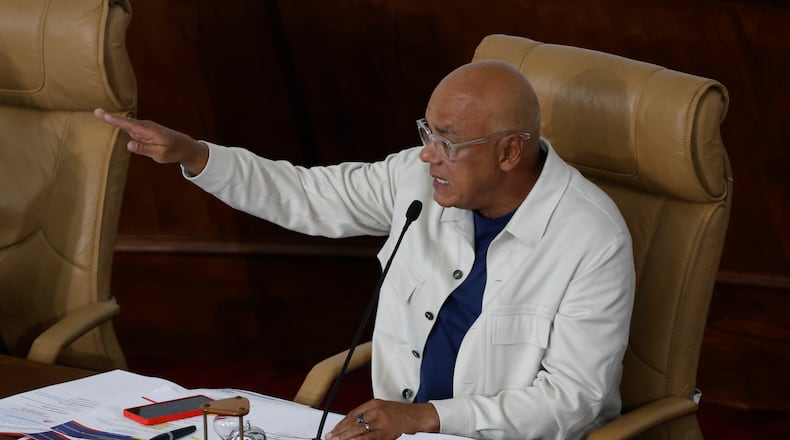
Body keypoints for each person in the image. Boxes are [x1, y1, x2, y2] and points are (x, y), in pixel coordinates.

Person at [95, 60, 635, 440]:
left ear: (509, 151)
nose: (427, 155)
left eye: (447, 141)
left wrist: (425, 418)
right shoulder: (419, 180)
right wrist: (195, 155)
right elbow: (306, 195)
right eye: (427, 130)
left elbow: (572, 401)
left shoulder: (591, 238)